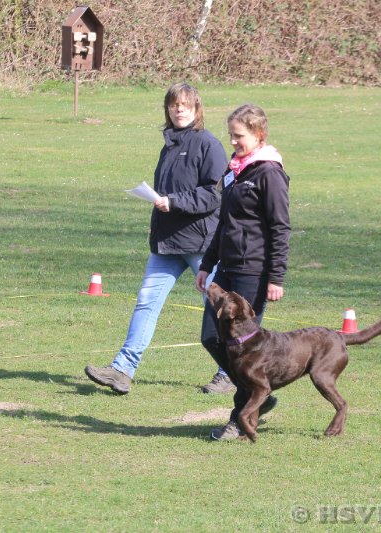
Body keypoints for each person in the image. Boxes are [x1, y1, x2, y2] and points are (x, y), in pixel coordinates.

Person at [85, 83, 235, 395]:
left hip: (201, 244)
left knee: (219, 308)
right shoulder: (169, 145)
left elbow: (213, 195)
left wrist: (174, 202)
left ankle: (230, 372)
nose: (179, 109)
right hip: (167, 243)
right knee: (146, 303)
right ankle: (122, 370)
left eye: (185, 105)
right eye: (174, 104)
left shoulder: (208, 144)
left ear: (196, 109)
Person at [195, 104, 291, 440]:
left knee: (243, 350)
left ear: (258, 134)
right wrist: (207, 265)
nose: (233, 141)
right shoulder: (234, 171)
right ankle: (259, 394)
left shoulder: (269, 173)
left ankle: (240, 420)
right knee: (211, 337)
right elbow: (223, 223)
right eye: (231, 135)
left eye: (239, 136)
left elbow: (280, 228)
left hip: (254, 272)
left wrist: (276, 277)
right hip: (227, 268)